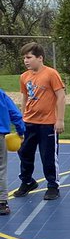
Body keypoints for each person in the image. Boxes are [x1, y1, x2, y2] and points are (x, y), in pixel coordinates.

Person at [12, 42, 66, 202]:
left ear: (40, 58)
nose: (25, 61)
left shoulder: (51, 74)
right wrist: (21, 119)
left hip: (48, 123)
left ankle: (52, 185)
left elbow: (61, 96)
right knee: (24, 153)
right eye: (24, 58)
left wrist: (60, 119)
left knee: (48, 156)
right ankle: (27, 181)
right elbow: (25, 97)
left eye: (29, 57)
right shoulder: (24, 76)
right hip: (29, 122)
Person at [0, 89, 26, 217]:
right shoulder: (1, 94)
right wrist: (20, 132)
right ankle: (2, 203)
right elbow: (15, 114)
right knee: (1, 169)